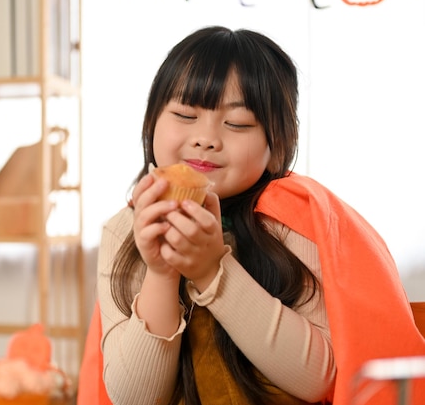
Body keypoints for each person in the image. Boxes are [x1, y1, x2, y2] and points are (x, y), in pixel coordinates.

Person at [77, 26, 425, 405]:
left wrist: (213, 271)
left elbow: (318, 380)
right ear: (151, 125)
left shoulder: (293, 220)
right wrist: (162, 273)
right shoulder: (124, 231)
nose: (206, 138)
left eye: (237, 123)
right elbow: (134, 399)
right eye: (184, 114)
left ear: (277, 148)